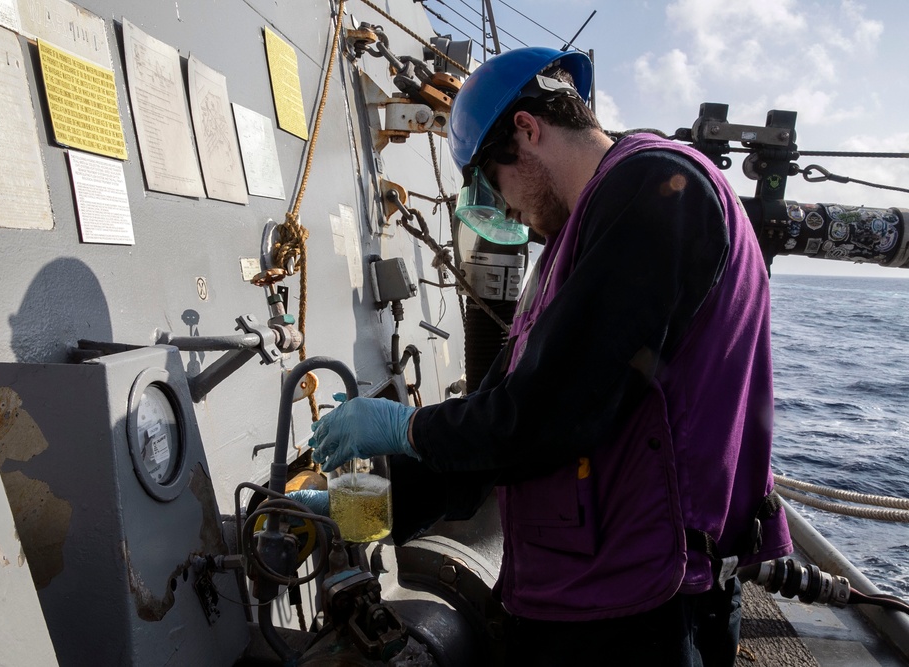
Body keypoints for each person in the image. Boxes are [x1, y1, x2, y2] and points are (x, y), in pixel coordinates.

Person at [301, 46, 793, 665]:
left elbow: (552, 412)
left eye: (493, 184)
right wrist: (376, 504)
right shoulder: (580, 236)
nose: (506, 211)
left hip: (639, 607)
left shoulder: (657, 188)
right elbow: (503, 418)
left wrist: (407, 426)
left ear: (527, 129)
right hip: (591, 592)